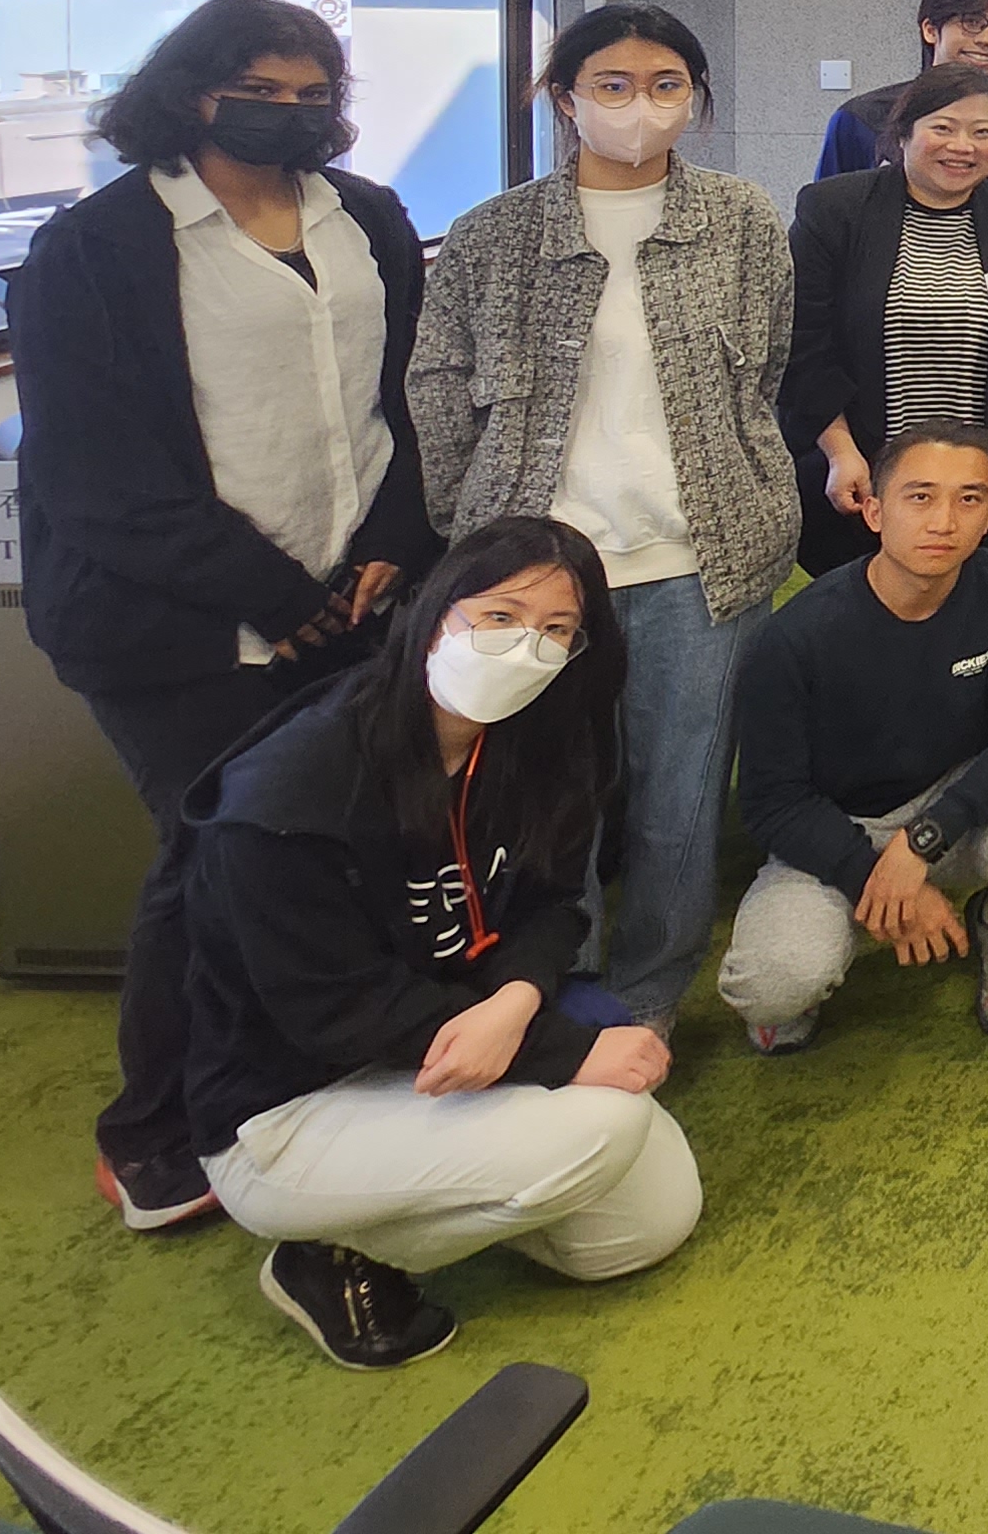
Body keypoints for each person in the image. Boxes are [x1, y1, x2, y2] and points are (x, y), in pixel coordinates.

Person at [12, 0, 437, 1236]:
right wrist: (276, 597)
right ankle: (151, 1129)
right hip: (176, 627)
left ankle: (292, 1072)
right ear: (192, 93)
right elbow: (92, 476)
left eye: (315, 93)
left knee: (336, 845)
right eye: (263, 89)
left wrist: (393, 547)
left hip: (354, 594)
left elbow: (408, 399)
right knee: (208, 861)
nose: (293, 111)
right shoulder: (99, 246)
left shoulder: (365, 218)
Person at [183, 521, 695, 1368]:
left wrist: (516, 1002)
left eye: (557, 631)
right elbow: (332, 1012)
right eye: (499, 614)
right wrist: (561, 1050)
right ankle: (327, 1252)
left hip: (453, 1037)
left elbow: (555, 904)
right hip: (289, 1102)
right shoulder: (289, 792)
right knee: (604, 1125)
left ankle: (432, 1195)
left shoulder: (542, 743)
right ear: (432, 613)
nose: (525, 646)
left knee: (648, 1225)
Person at [411, 1, 794, 1033]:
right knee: (545, 800)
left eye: (666, 86)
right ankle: (551, 988)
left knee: (679, 802)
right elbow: (438, 389)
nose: (639, 108)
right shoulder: (495, 236)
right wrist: (471, 532)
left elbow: (765, 372)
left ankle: (648, 995)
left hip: (697, 560)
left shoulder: (742, 219)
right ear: (563, 99)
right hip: (539, 572)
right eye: (613, 87)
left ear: (697, 104)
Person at [716, 425, 988, 1050]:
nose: (944, 520)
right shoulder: (795, 637)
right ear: (872, 509)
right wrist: (872, 876)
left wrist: (921, 844)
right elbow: (772, 800)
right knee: (773, 987)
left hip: (954, 807)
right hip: (838, 822)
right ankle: (832, 946)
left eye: (970, 499)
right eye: (920, 496)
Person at [785, 64, 988, 572]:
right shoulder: (835, 210)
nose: (963, 146)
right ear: (903, 133)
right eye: (943, 127)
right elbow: (805, 344)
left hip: (983, 475)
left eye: (983, 132)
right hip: (869, 467)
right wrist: (840, 452)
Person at [812, 0, 988, 189]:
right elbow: (826, 211)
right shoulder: (861, 117)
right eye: (971, 23)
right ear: (930, 30)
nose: (987, 39)